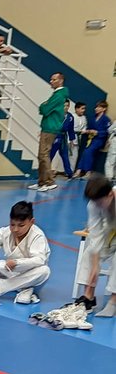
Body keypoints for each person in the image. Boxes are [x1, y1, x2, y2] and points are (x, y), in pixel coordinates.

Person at [74, 174, 116, 317]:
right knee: (89, 254)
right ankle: (88, 298)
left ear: (110, 194)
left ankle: (113, 302)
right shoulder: (93, 204)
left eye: (99, 202)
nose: (96, 205)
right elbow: (96, 235)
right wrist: (95, 265)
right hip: (110, 232)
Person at [30, 70, 67, 190]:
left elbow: (44, 109)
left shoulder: (59, 95)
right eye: (51, 79)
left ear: (60, 81)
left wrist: (43, 105)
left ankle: (49, 182)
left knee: (44, 154)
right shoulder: (57, 95)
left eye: (54, 79)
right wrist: (45, 105)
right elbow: (46, 107)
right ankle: (42, 181)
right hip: (47, 127)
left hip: (50, 127)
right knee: (42, 155)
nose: (51, 81)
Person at [77, 99, 111, 178]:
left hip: (100, 140)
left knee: (88, 151)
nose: (96, 109)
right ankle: (79, 170)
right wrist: (88, 131)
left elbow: (107, 132)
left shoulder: (106, 119)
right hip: (91, 139)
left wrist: (98, 132)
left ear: (104, 108)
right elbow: (89, 128)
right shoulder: (93, 118)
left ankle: (88, 171)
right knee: (85, 151)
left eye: (99, 107)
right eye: (96, 107)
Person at [49, 99, 76, 179]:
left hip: (64, 137)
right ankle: (45, 172)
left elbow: (71, 129)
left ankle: (69, 173)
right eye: (64, 105)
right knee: (50, 155)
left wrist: (71, 140)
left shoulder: (70, 117)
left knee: (65, 155)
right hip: (55, 136)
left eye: (67, 105)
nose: (65, 107)